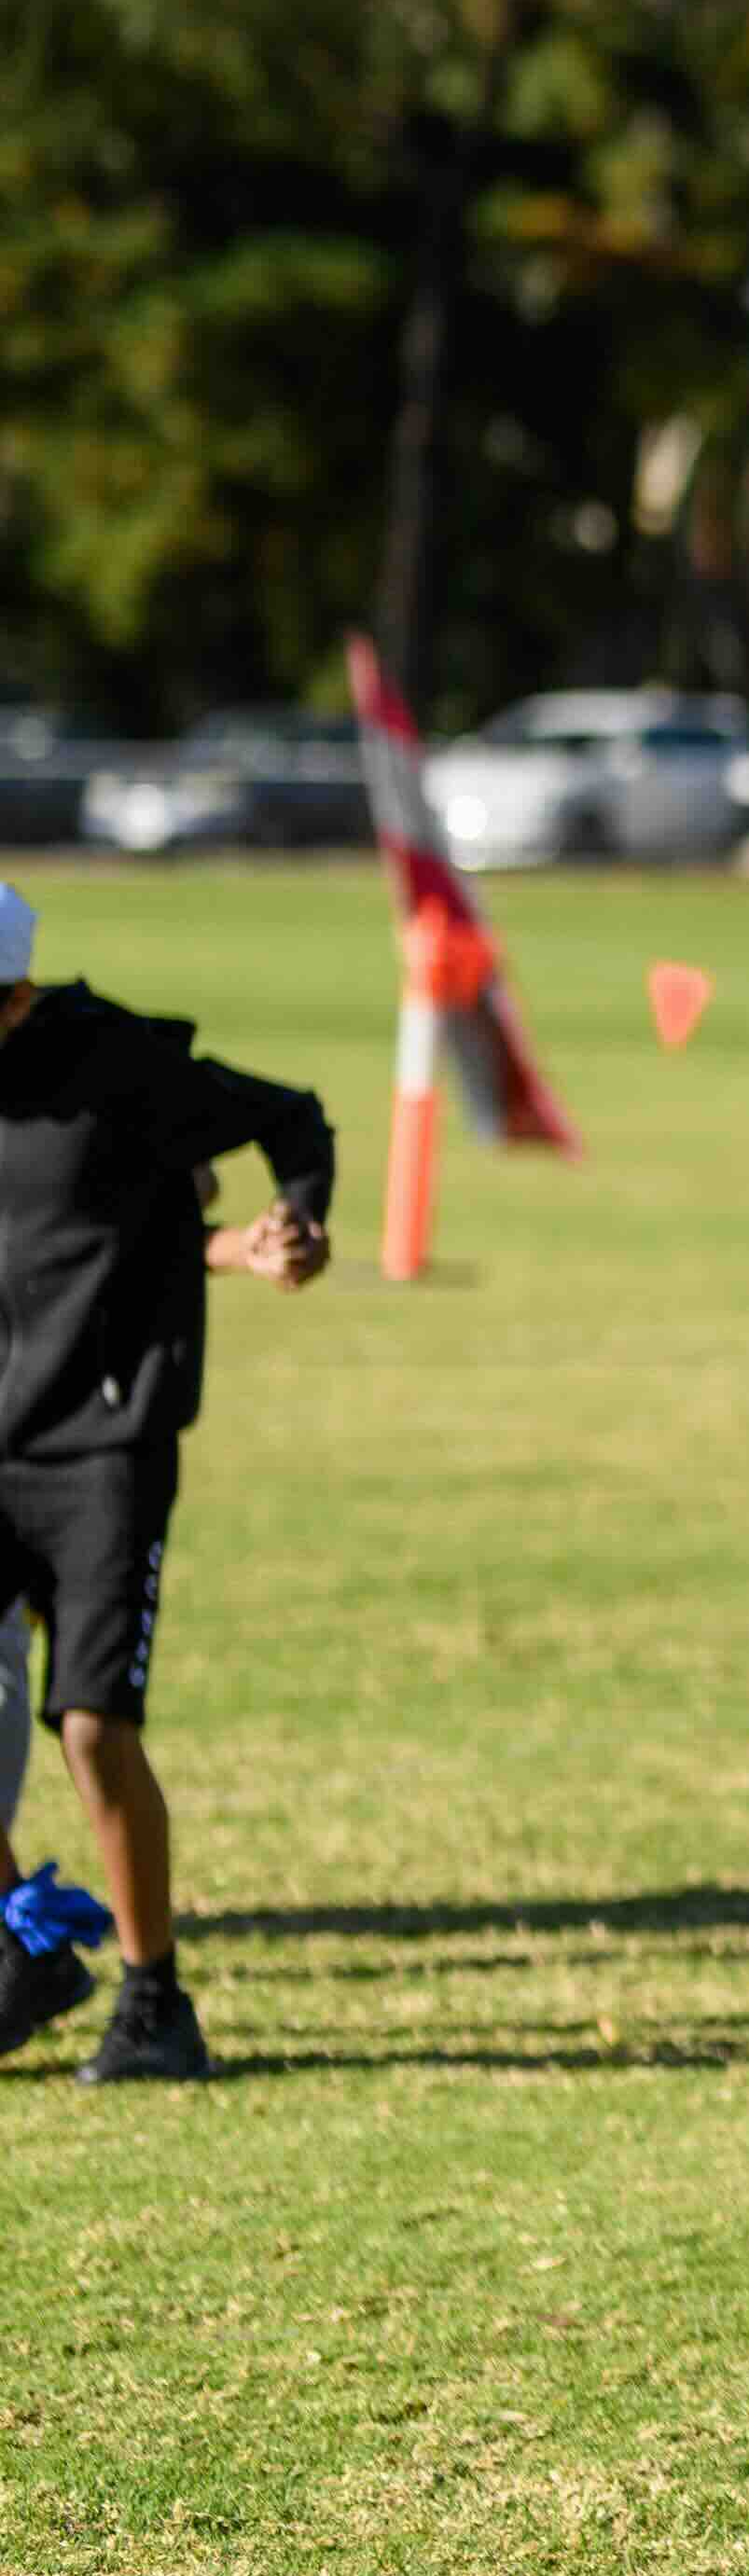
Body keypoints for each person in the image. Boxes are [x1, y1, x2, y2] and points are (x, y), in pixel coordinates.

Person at [0, 882, 335, 2085]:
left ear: (19, 996)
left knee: (92, 1729)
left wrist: (288, 1224)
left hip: (102, 1451)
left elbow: (290, 1117)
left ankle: (155, 2005)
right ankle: (22, 1956)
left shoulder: (119, 1065)